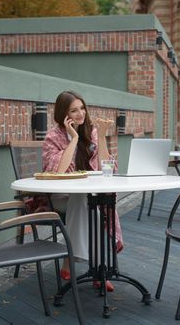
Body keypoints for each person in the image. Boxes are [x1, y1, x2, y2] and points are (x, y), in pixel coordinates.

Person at [42, 91, 123, 292]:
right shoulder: (54, 136)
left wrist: (102, 137)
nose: (80, 113)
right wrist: (74, 139)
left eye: (82, 108)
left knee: (97, 206)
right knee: (85, 201)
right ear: (64, 114)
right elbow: (58, 171)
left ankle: (77, 263)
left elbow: (107, 169)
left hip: (89, 196)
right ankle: (99, 270)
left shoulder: (92, 132)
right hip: (61, 196)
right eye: (74, 110)